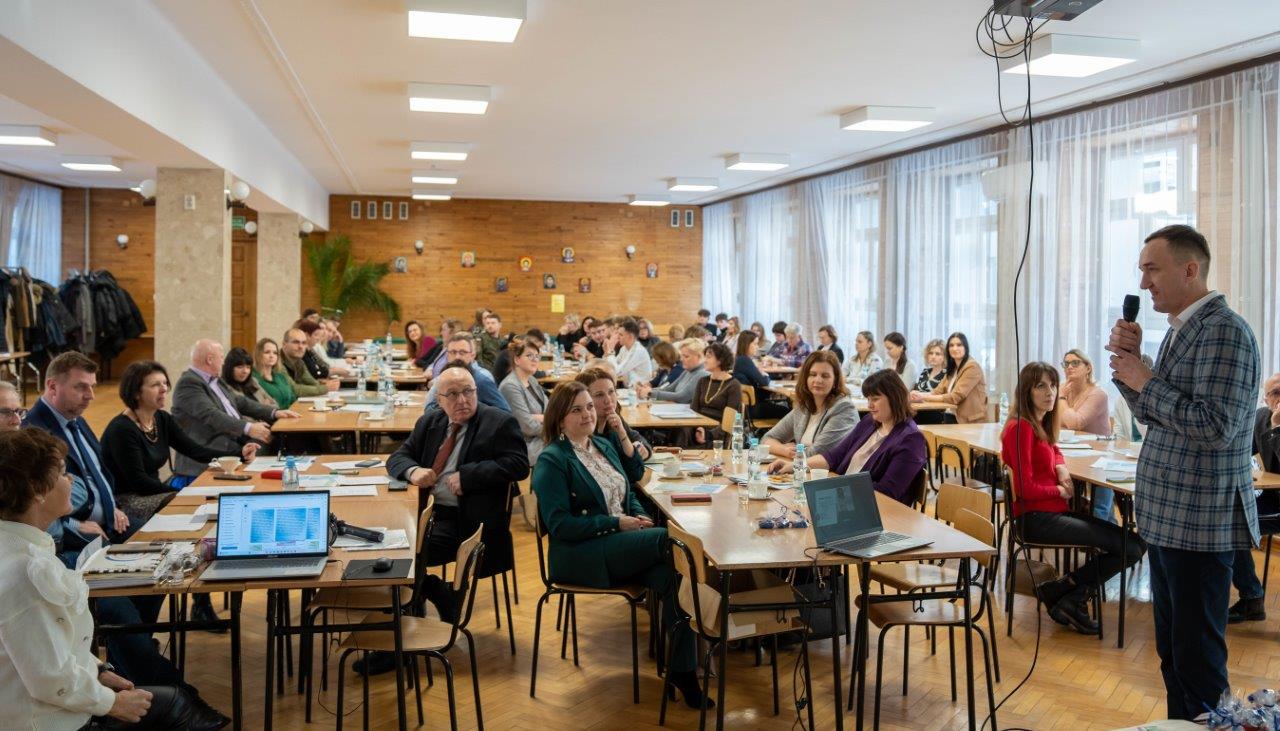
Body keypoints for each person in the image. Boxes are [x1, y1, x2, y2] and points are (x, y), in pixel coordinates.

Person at [1106, 226, 1259, 719]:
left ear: (1190, 270)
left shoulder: (1225, 333)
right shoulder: (1182, 329)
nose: (1144, 282)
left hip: (1198, 521)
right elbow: (1159, 414)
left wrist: (1145, 378)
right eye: (1142, 271)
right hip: (1170, 519)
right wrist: (1131, 367)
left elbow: (1214, 426)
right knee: (1174, 657)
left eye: (1153, 268)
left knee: (1199, 664)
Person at [0, 428, 222, 730]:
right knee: (176, 707)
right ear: (36, 490)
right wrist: (112, 703)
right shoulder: (27, 571)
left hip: (44, 705)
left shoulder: (19, 548)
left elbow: (47, 650)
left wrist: (99, 670)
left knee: (172, 701)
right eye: (64, 474)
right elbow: (48, 679)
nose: (72, 482)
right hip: (45, 720)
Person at [532, 381, 709, 708]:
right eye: (577, 409)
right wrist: (618, 524)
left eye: (588, 406)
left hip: (619, 542)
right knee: (677, 543)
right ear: (559, 419)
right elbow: (560, 526)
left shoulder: (602, 444)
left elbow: (628, 494)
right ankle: (718, 622)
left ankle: (683, 669)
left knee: (676, 578)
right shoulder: (552, 461)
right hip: (580, 554)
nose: (587, 413)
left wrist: (640, 520)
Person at [380, 365, 528, 674]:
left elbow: (518, 465)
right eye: (453, 394)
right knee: (384, 549)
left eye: (469, 392)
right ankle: (431, 596)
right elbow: (397, 458)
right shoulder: (430, 422)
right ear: (438, 398)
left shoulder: (498, 422)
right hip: (425, 514)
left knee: (405, 556)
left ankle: (398, 643)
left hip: (469, 522)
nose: (463, 400)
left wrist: (470, 475)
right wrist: (413, 471)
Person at [1002, 361, 1145, 635]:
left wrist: (1061, 467)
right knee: (1132, 547)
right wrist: (1059, 490)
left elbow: (1053, 448)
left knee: (1133, 544)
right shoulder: (1020, 428)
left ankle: (1063, 591)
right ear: (1026, 392)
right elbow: (1025, 488)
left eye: (1053, 385)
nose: (1050, 392)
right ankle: (1069, 594)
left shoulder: (1039, 423)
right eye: (1041, 386)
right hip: (1035, 519)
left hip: (1053, 514)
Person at [103, 360, 257, 522]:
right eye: (155, 385)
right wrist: (183, 492)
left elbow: (195, 450)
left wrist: (239, 454)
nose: (164, 389)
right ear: (136, 393)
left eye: (164, 383)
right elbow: (139, 482)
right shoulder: (122, 429)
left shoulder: (161, 418)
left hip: (155, 492)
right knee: (195, 507)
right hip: (127, 501)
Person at [21, 352, 130, 552]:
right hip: (78, 533)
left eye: (92, 387)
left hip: (111, 520)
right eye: (81, 387)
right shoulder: (33, 432)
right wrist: (74, 524)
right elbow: (30, 504)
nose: (91, 395)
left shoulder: (75, 418)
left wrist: (111, 506)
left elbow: (97, 472)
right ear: (52, 386)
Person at [771, 370, 927, 505]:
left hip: (874, 511)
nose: (869, 405)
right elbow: (835, 456)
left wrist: (835, 490)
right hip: (844, 499)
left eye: (875, 399)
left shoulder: (910, 439)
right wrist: (797, 465)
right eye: (868, 399)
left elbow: (887, 492)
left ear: (894, 398)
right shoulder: (870, 422)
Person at [171, 339, 296, 481]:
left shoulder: (214, 380)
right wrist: (248, 428)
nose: (224, 362)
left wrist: (274, 412)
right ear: (210, 359)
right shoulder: (189, 383)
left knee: (283, 438)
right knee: (270, 443)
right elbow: (211, 415)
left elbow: (239, 401)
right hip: (208, 450)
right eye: (222, 357)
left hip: (232, 440)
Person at [1227, 371, 1280, 623]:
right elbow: (1239, 452)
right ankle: (1251, 598)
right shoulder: (1261, 418)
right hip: (1272, 500)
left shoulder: (1273, 422)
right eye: (1275, 393)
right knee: (1232, 521)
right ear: (1266, 399)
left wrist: (1278, 429)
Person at [761, 350, 859, 458]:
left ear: (835, 381)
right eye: (812, 374)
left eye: (825, 376)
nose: (818, 380)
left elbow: (816, 454)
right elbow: (766, 439)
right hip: (803, 469)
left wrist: (792, 451)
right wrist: (785, 450)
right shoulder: (805, 406)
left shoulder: (844, 409)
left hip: (831, 473)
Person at [1058, 349, 1114, 521]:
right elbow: (1056, 425)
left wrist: (1060, 399)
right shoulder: (1065, 391)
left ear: (1088, 368)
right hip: (1074, 454)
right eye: (1066, 364)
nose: (1069, 367)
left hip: (1100, 457)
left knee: (1099, 509)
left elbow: (1075, 423)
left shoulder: (1098, 394)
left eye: (1075, 363)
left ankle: (1106, 535)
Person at [575, 368, 653, 461]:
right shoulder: (582, 428)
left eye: (611, 392)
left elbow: (636, 438)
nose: (608, 400)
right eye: (599, 395)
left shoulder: (613, 416)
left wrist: (643, 450)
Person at [910, 332, 988, 423]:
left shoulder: (972, 367)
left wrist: (923, 397)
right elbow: (937, 391)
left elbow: (955, 397)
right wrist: (918, 395)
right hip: (950, 416)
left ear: (966, 348)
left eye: (959, 345)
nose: (955, 348)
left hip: (968, 420)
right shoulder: (953, 368)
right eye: (951, 345)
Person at [423, 333, 511, 413]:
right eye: (453, 352)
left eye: (462, 352)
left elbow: (505, 412)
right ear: (447, 355)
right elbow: (428, 408)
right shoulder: (444, 377)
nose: (457, 357)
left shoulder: (481, 380)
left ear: (472, 355)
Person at [498, 337, 549, 464]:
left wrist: (542, 417)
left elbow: (549, 409)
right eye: (529, 355)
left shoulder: (532, 379)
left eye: (537, 356)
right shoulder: (510, 386)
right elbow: (527, 426)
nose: (535, 360)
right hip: (525, 445)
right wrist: (553, 428)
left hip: (540, 437)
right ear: (517, 359)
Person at [689, 342, 742, 445]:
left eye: (708, 357)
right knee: (680, 431)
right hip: (699, 427)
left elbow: (730, 420)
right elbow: (694, 410)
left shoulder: (733, 385)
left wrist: (708, 434)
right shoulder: (702, 381)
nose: (704, 361)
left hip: (717, 433)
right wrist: (698, 429)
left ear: (720, 360)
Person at [635, 338, 705, 404]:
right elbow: (669, 389)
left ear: (699, 356)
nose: (681, 359)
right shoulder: (687, 371)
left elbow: (682, 397)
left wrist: (650, 393)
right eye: (682, 356)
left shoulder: (701, 373)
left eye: (686, 356)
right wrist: (645, 391)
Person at [281, 328, 340, 397]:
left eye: (304, 343)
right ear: (284, 344)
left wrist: (324, 384)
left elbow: (312, 382)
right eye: (296, 342)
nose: (301, 346)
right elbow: (294, 389)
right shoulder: (278, 363)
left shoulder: (299, 362)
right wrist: (325, 388)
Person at [251, 337, 299, 409]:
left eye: (275, 353)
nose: (272, 356)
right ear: (258, 354)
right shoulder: (253, 378)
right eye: (267, 352)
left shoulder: (280, 377)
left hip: (290, 416)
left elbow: (293, 399)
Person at [607, 319, 654, 386]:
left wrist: (610, 350)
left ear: (630, 336)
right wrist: (607, 353)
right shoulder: (624, 348)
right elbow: (611, 367)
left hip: (641, 391)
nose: (617, 337)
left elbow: (617, 372)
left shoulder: (638, 351)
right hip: (630, 389)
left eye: (621, 334)